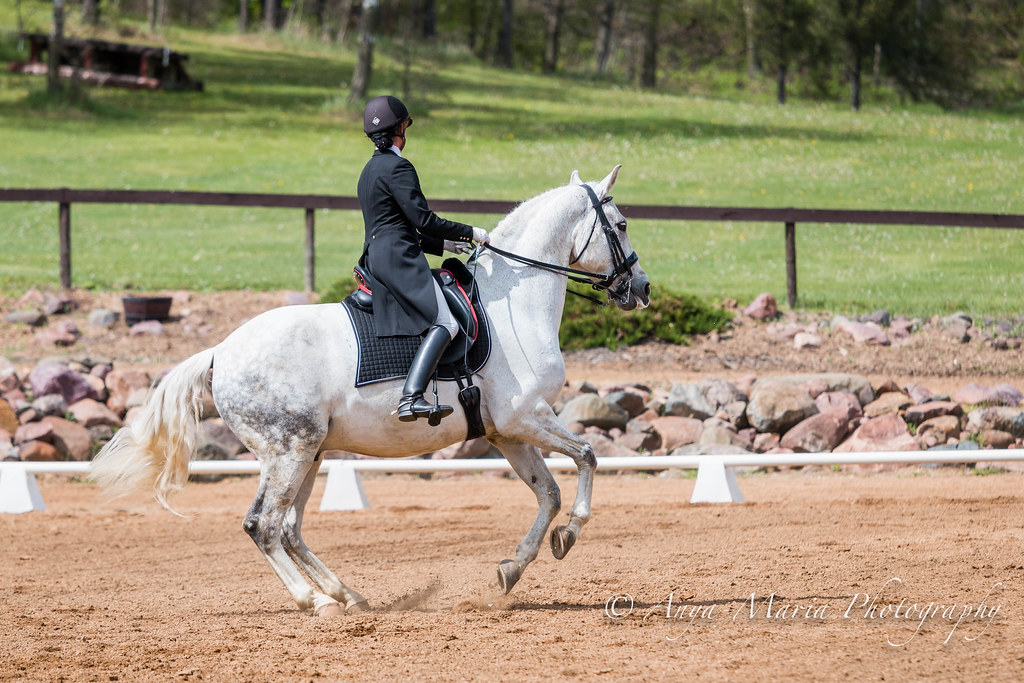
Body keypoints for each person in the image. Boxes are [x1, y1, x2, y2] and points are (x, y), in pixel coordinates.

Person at [357, 95, 490, 423]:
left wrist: (444, 244)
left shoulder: (369, 170)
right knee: (446, 322)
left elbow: (393, 225)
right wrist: (470, 232)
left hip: (379, 257)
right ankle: (411, 397)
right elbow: (423, 220)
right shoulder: (399, 167)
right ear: (401, 129)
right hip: (399, 261)